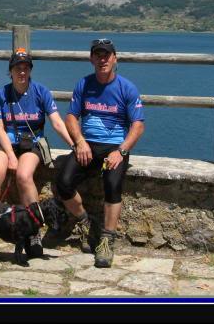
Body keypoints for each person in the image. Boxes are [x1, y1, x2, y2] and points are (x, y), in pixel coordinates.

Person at [55, 38, 146, 268]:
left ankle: (107, 239)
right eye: (98, 55)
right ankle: (86, 222)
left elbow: (138, 124)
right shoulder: (84, 85)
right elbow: (71, 116)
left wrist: (121, 151)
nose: (102, 59)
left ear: (115, 58)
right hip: (87, 145)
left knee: (112, 185)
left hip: (115, 147)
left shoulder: (127, 87)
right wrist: (79, 141)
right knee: (63, 182)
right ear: (91, 59)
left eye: (107, 55)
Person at [0, 48, 75, 257]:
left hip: (32, 143)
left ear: (30, 70)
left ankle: (33, 232)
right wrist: (11, 156)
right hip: (6, 142)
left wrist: (74, 144)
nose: (22, 72)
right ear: (11, 71)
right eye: (17, 68)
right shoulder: (2, 94)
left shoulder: (42, 92)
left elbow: (57, 122)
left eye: (25, 68)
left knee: (24, 175)